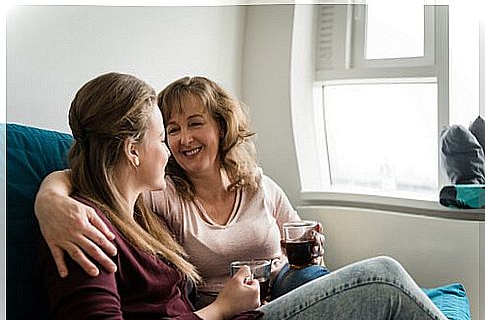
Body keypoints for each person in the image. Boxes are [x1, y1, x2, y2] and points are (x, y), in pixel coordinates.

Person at [39, 71, 466, 320]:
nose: (171, 147)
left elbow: (95, 170)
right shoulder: (91, 226)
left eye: (193, 125)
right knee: (384, 279)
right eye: (163, 134)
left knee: (359, 286)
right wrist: (51, 199)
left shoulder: (131, 215)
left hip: (245, 312)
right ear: (134, 150)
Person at [35, 76, 329, 307]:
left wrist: (315, 252)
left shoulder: (259, 185)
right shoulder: (161, 190)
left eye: (195, 124)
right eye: (171, 131)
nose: (184, 139)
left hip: (285, 288)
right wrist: (50, 199)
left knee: (317, 279)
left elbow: (304, 251)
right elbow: (91, 175)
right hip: (227, 313)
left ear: (221, 126)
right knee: (374, 280)